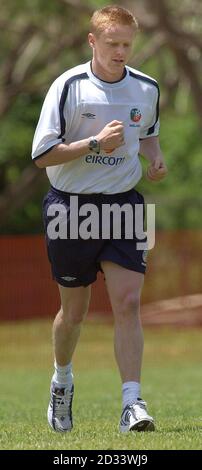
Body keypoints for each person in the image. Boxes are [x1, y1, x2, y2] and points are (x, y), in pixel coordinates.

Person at [32, 5, 167, 433]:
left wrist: (156, 157)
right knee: (74, 313)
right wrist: (93, 142)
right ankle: (62, 379)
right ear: (93, 41)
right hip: (70, 205)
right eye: (113, 44)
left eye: (128, 44)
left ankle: (132, 403)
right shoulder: (68, 86)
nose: (121, 52)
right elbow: (41, 155)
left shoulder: (147, 88)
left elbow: (147, 133)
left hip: (124, 204)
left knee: (128, 302)